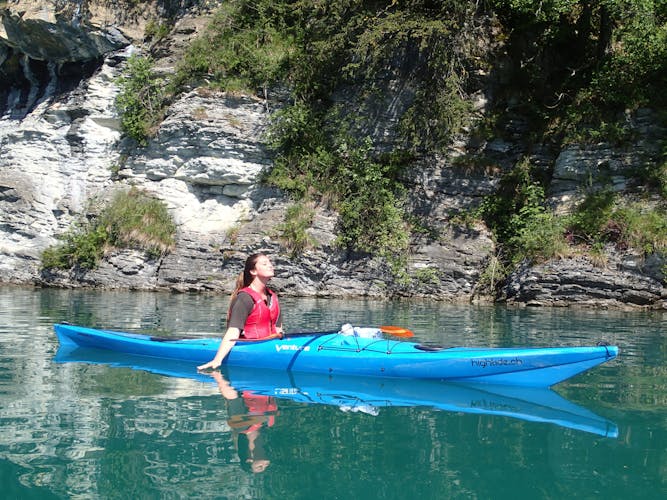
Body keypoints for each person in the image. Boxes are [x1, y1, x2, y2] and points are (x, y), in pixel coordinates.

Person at [197, 253, 283, 371]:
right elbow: (233, 331)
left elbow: (278, 330)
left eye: (270, 263)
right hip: (248, 347)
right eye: (265, 263)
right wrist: (217, 359)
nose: (270, 266)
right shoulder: (245, 298)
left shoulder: (273, 297)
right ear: (253, 271)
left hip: (271, 346)